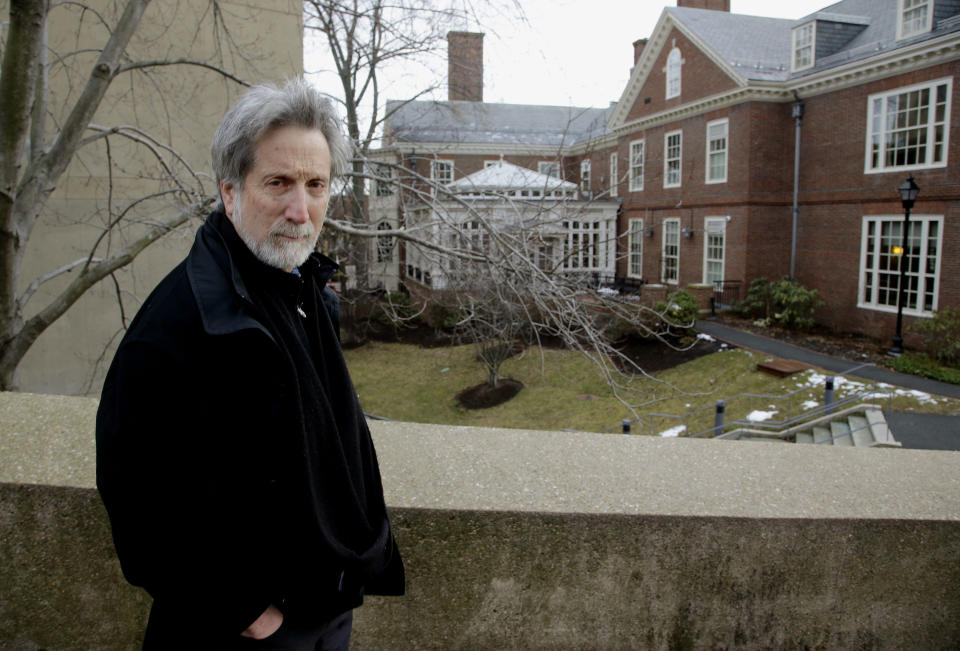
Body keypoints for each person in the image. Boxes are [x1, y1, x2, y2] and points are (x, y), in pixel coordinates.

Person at [96, 78, 404, 649]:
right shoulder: (180, 322)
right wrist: (252, 615)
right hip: (239, 630)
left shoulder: (304, 292)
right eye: (278, 183)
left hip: (323, 610)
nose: (299, 208)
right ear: (230, 191)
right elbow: (137, 499)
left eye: (316, 184)